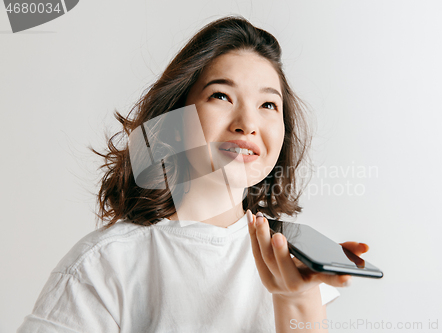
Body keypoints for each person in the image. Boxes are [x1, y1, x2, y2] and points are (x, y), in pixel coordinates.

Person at [17, 16, 369, 332]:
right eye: (221, 96)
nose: (247, 124)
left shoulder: (291, 261)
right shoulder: (104, 264)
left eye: (268, 104)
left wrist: (297, 297)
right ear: (175, 121)